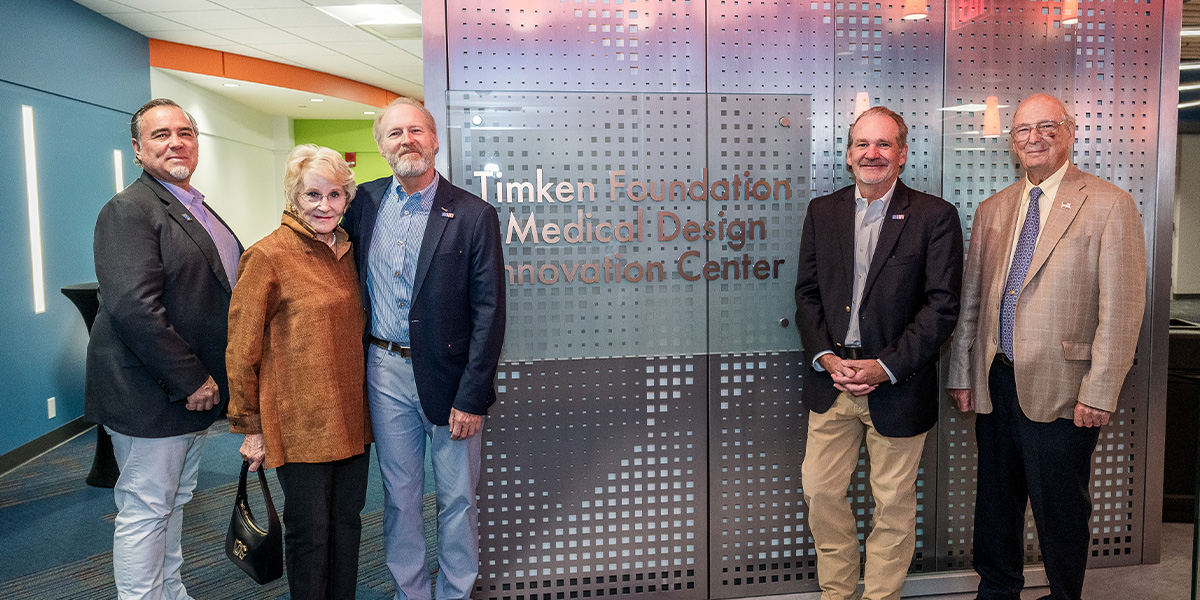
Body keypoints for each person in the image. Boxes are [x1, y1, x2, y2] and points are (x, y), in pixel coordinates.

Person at [947, 94, 1146, 600]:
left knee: (1060, 508)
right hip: (996, 380)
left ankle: (1063, 595)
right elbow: (973, 301)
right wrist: (962, 373)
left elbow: (1123, 308)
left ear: (1070, 132)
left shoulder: (1109, 204)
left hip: (1065, 387)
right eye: (1022, 130)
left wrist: (1099, 391)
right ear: (1012, 142)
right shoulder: (994, 209)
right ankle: (997, 591)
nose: (1033, 138)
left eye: (1046, 127)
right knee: (995, 504)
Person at [794, 106, 963, 600]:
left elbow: (941, 306)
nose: (873, 153)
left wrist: (884, 367)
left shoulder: (934, 216)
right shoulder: (822, 212)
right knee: (820, 492)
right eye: (863, 144)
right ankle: (838, 593)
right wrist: (827, 358)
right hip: (832, 381)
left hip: (898, 385)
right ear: (848, 155)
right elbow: (807, 295)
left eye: (884, 144)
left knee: (892, 505)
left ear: (902, 154)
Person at [341, 97, 506, 600]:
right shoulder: (362, 204)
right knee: (399, 497)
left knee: (457, 499)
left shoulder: (474, 214)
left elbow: (489, 311)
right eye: (394, 133)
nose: (406, 140)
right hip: (383, 371)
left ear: (434, 140)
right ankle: (409, 593)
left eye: (416, 130)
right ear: (380, 146)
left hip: (451, 378)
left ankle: (455, 593)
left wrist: (473, 395)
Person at [86, 98, 242, 600]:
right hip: (151, 393)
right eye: (160, 135)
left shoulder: (194, 205)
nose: (176, 142)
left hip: (189, 394)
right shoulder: (128, 210)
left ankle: (170, 592)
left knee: (173, 503)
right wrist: (191, 379)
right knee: (147, 508)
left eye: (184, 133)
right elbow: (133, 308)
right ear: (137, 149)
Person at [226, 144, 372, 600]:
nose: (324, 205)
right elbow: (241, 349)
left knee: (347, 525)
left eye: (335, 194)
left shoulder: (349, 252)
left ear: (346, 199)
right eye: (313, 194)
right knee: (310, 534)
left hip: (352, 419)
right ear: (293, 197)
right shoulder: (268, 256)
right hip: (299, 424)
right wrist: (251, 428)